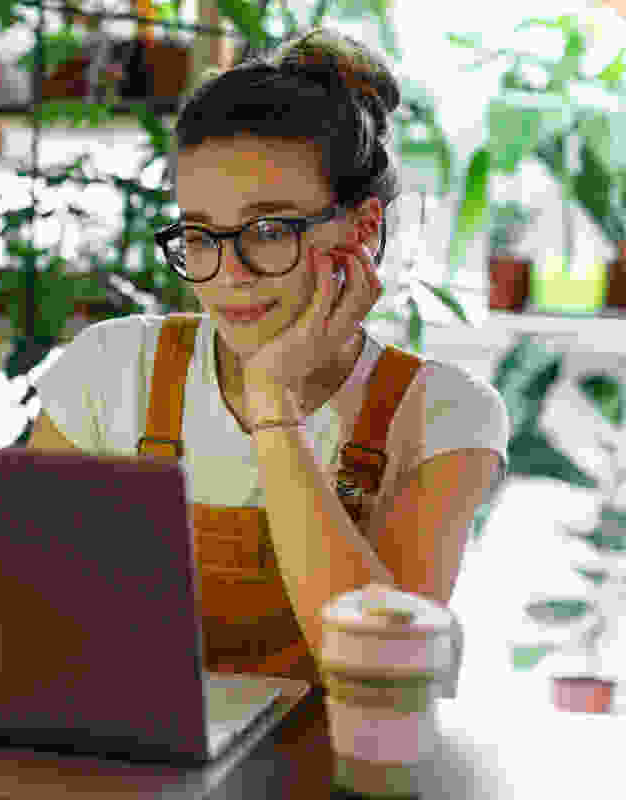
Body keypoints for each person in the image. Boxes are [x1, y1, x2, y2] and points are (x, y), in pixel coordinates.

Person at [26, 27, 510, 696]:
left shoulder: (447, 416)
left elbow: (379, 682)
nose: (229, 275)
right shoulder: (113, 368)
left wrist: (273, 412)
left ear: (362, 229)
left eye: (269, 231)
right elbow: (21, 612)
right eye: (200, 235)